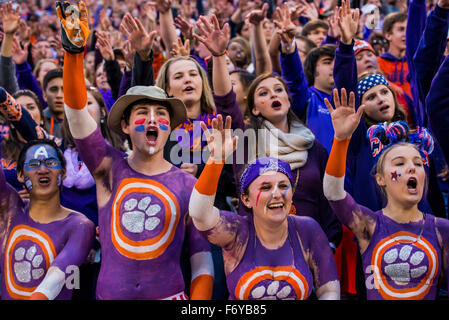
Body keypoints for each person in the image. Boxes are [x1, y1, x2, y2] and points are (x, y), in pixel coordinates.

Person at [57, 1, 214, 299]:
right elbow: (77, 113)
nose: (153, 120)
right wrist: (74, 54)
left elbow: (202, 259)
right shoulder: (107, 167)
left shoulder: (188, 184)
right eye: (143, 112)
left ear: (170, 128)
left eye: (162, 115)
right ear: (126, 127)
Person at [188, 114, 340, 300]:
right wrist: (216, 160)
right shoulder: (236, 232)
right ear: (246, 200)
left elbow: (329, 291)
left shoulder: (308, 229)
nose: (277, 193)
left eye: (284, 186)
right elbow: (199, 215)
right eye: (266, 187)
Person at [323, 88, 449, 300]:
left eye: (418, 163)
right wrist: (341, 139)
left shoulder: (442, 230)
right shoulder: (368, 225)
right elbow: (333, 193)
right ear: (380, 178)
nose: (412, 168)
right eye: (400, 163)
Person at [0, 138, 95, 300]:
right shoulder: (9, 208)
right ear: (20, 175)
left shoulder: (79, 225)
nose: (43, 169)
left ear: (64, 173)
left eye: (51, 163)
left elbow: (57, 277)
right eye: (33, 164)